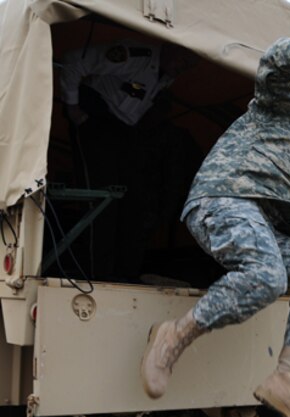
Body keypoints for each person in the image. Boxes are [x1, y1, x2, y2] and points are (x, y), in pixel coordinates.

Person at [140, 37, 290, 417]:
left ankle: (287, 378)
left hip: (256, 222)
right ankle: (174, 336)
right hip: (219, 197)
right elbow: (274, 66)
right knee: (269, 275)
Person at [59, 40, 200, 280]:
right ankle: (97, 277)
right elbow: (73, 61)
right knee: (102, 200)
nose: (183, 68)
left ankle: (124, 277)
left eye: (189, 65)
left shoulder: (166, 77)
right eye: (183, 60)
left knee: (132, 204)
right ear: (171, 48)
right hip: (97, 117)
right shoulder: (136, 56)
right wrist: (72, 108)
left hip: (124, 130)